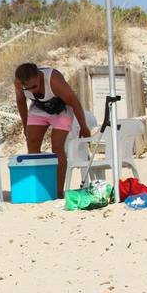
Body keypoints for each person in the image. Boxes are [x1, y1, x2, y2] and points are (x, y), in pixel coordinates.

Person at [14, 63, 91, 198]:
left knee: (57, 147)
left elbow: (74, 102)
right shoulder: (19, 83)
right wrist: (25, 126)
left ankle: (58, 192)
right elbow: (21, 102)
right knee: (32, 144)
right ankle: (39, 187)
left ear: (39, 76)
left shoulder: (53, 80)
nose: (32, 91)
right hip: (39, 109)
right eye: (28, 88)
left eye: (34, 87)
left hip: (62, 109)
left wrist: (84, 127)